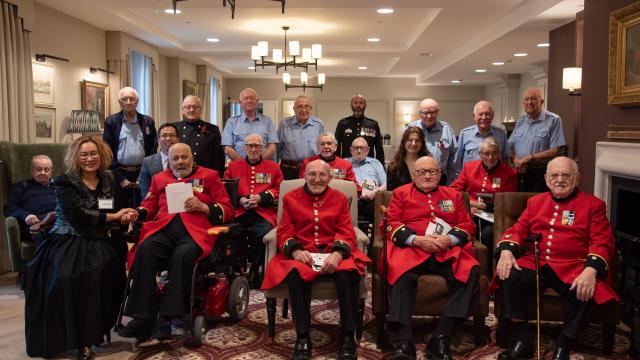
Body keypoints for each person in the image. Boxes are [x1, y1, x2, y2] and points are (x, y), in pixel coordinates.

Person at [493, 157, 618, 360]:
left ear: (576, 178)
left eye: (566, 175)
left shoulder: (593, 205)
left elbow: (602, 241)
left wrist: (590, 270)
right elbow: (518, 230)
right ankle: (522, 339)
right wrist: (506, 251)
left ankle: (564, 342)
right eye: (554, 175)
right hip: (538, 262)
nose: (559, 179)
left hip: (573, 266)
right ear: (546, 178)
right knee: (508, 274)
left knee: (587, 285)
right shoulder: (535, 202)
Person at [25, 136, 136, 359]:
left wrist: (126, 214)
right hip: (69, 239)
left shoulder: (110, 179)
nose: (89, 158)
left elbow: (117, 205)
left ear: (101, 155)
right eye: (84, 154)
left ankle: (94, 332)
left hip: (101, 239)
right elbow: (78, 214)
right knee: (69, 278)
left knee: (106, 274)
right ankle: (77, 340)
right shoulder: (65, 181)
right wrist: (114, 215)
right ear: (76, 157)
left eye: (93, 153)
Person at [118, 143, 234, 340]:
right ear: (169, 161)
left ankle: (166, 317)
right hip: (164, 230)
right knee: (144, 249)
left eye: (184, 157)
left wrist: (204, 207)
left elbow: (227, 209)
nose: (180, 162)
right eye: (175, 159)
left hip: (195, 232)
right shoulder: (159, 178)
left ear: (192, 158)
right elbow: (149, 205)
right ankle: (144, 318)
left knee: (183, 255)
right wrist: (137, 213)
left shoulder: (210, 176)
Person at [261, 159, 371, 360]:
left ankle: (347, 336)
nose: (317, 179)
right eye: (312, 174)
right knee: (295, 274)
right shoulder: (291, 198)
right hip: (303, 252)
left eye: (322, 175)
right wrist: (295, 251)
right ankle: (302, 337)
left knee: (348, 273)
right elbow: (285, 230)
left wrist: (337, 254)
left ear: (330, 177)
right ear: (305, 175)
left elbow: (346, 230)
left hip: (334, 250)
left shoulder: (339, 198)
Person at [385, 156, 479, 360]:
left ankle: (441, 337)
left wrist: (450, 239)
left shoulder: (453, 195)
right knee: (401, 272)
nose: (427, 175)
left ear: (440, 173)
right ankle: (404, 340)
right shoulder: (401, 193)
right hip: (412, 249)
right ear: (414, 175)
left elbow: (467, 225)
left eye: (432, 171)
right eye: (422, 172)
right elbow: (391, 223)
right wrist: (416, 240)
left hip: (446, 249)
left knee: (470, 271)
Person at [450, 136, 517, 278]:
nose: (490, 157)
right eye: (486, 154)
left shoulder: (509, 173)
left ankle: (488, 275)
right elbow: (454, 191)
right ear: (480, 154)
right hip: (472, 212)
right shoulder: (469, 168)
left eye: (494, 153)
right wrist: (471, 204)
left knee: (488, 234)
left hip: (495, 214)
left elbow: (509, 200)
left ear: (499, 153)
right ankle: (464, 272)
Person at [224, 133, 284, 288]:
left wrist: (261, 197)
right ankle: (235, 267)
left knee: (263, 233)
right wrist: (241, 200)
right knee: (231, 232)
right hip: (239, 211)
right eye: (250, 145)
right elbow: (226, 189)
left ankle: (255, 269)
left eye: (257, 146)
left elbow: (280, 188)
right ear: (244, 148)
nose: (253, 149)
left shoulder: (273, 167)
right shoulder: (233, 167)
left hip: (263, 211)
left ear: (262, 148)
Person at [103, 86, 158, 207]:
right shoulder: (110, 122)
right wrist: (121, 178)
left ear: (137, 101)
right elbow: (107, 151)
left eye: (131, 99)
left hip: (142, 172)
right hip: (117, 173)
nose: (128, 102)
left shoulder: (148, 122)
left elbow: (153, 150)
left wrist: (142, 176)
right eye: (124, 99)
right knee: (118, 210)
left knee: (143, 208)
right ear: (119, 102)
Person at [508, 87, 566, 192]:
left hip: (541, 172)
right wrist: (516, 160)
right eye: (526, 99)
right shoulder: (521, 121)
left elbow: (554, 150)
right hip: (520, 172)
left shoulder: (554, 120)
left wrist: (530, 157)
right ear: (523, 103)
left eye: (534, 99)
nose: (529, 102)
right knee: (519, 205)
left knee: (538, 205)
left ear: (541, 101)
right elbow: (510, 146)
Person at [3, 155, 56, 247]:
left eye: (46, 169)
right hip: (37, 223)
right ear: (32, 171)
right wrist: (26, 215)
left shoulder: (61, 186)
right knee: (47, 235)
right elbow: (9, 207)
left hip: (59, 220)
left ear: (51, 171)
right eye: (39, 169)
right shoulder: (21, 187)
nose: (43, 172)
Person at [453, 100, 509, 178]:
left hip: (494, 179)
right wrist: (460, 178)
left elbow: (505, 159)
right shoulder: (465, 134)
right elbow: (457, 161)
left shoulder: (501, 134)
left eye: (487, 114)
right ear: (474, 116)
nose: (484, 117)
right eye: (480, 114)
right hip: (470, 180)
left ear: (492, 116)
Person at [408, 98, 457, 184]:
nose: (429, 116)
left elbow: (454, 158)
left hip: (441, 179)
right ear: (419, 113)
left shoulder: (446, 129)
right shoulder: (411, 128)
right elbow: (404, 153)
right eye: (425, 113)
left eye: (433, 112)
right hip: (417, 178)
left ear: (438, 112)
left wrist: (452, 182)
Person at [174, 95, 225, 176]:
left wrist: (218, 178)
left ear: (200, 110)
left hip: (205, 174)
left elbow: (219, 158)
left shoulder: (212, 129)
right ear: (182, 110)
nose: (191, 110)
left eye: (195, 107)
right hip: (180, 174)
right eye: (188, 107)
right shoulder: (174, 128)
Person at [222, 88, 278, 161]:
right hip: (239, 167)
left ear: (257, 101)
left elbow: (272, 146)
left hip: (263, 167)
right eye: (246, 98)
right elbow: (227, 148)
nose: (249, 101)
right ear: (240, 102)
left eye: (252, 98)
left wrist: (260, 163)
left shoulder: (267, 121)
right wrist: (244, 164)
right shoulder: (231, 122)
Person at [277, 94, 325, 179]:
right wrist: (274, 168)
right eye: (299, 106)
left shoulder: (318, 125)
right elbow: (277, 148)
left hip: (311, 168)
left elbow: (321, 148)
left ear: (311, 109)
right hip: (288, 169)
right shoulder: (284, 124)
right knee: (287, 191)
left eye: (307, 106)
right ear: (294, 109)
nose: (303, 110)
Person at [346, 137, 386, 227]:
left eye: (362, 148)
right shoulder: (344, 163)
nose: (359, 151)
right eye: (356, 148)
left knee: (378, 208)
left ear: (367, 150)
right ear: (351, 150)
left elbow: (386, 184)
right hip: (351, 200)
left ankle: (376, 238)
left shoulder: (375, 163)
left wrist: (374, 193)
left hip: (371, 200)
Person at [335, 94, 385, 164]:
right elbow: (336, 148)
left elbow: (379, 150)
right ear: (351, 105)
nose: (358, 105)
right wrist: (336, 169)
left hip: (368, 165)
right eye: (355, 103)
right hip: (347, 164)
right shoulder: (343, 124)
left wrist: (381, 169)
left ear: (365, 105)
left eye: (361, 103)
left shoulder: (373, 124)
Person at [138, 123, 179, 197]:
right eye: (164, 135)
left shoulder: (186, 160)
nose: (168, 138)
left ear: (178, 139)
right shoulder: (148, 162)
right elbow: (145, 192)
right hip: (156, 205)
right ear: (158, 140)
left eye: (172, 135)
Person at [386, 126, 429, 191]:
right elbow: (391, 191)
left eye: (417, 140)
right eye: (410, 140)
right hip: (400, 200)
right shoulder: (394, 165)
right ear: (404, 142)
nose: (413, 143)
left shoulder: (429, 163)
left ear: (422, 143)